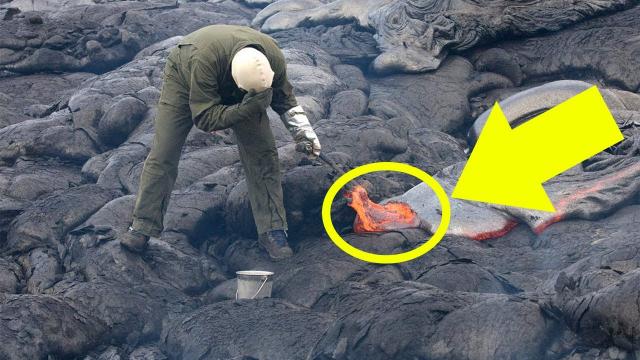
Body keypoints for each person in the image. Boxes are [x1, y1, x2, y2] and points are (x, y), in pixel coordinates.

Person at [120, 25, 321, 260]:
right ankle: (142, 227)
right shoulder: (203, 63)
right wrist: (248, 106)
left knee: (264, 155)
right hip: (184, 76)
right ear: (237, 81)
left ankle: (273, 230)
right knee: (163, 154)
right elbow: (205, 118)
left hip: (248, 91)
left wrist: (304, 133)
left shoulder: (273, 57)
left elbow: (285, 98)